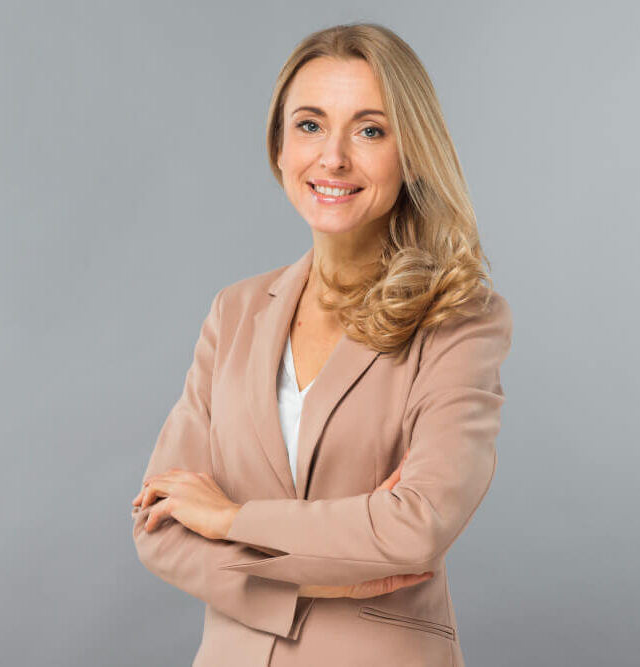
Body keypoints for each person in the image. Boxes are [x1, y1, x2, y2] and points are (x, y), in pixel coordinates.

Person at [131, 22, 513, 667]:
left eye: (370, 131)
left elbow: (415, 525)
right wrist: (308, 583)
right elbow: (161, 524)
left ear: (412, 151)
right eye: (309, 125)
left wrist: (229, 520)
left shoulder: (458, 320)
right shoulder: (235, 311)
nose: (332, 157)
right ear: (279, 147)